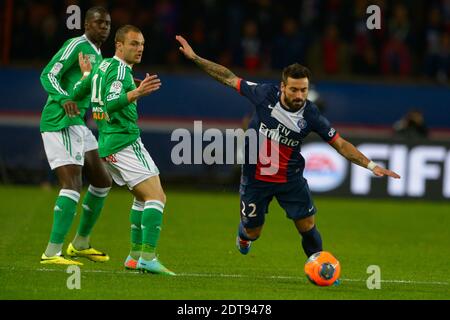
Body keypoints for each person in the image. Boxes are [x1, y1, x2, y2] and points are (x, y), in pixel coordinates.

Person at [175, 35, 400, 260]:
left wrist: (371, 165)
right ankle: (244, 235)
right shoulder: (263, 94)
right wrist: (195, 58)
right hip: (256, 179)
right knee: (253, 232)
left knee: (307, 225)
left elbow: (340, 144)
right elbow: (228, 77)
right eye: (294, 90)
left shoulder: (311, 114)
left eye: (303, 90)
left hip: (290, 179)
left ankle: (320, 265)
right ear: (283, 86)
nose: (299, 95)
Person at [72, 25, 175, 275]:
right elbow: (110, 103)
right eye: (133, 44)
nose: (139, 49)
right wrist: (137, 92)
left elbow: (81, 93)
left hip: (107, 141)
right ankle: (148, 258)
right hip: (124, 141)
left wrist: (87, 76)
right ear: (119, 45)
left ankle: (134, 256)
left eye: (141, 44)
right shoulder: (118, 70)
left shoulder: (103, 66)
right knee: (156, 198)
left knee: (142, 197)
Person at [39, 7, 112, 265]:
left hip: (78, 122)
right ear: (86, 25)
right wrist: (64, 97)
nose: (103, 27)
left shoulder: (100, 57)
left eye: (107, 24)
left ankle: (80, 243)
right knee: (71, 185)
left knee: (103, 181)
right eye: (98, 22)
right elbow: (48, 73)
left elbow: (94, 90)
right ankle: (51, 253)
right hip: (60, 120)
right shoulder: (76, 45)